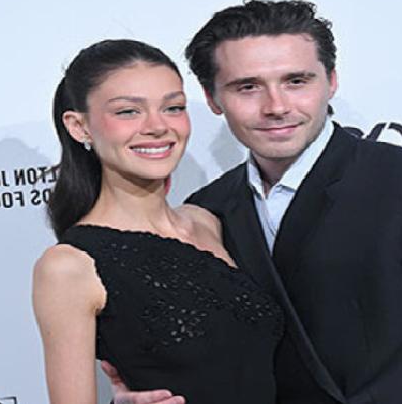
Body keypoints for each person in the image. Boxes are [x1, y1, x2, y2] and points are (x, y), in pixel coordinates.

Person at [106, 0, 402, 403]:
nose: (276, 106)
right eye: (247, 87)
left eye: (296, 81)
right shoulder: (208, 210)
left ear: (331, 81)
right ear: (213, 99)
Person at [32, 39, 284, 404]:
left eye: (173, 107)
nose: (157, 126)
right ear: (79, 126)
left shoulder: (209, 221)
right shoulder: (69, 267)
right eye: (128, 112)